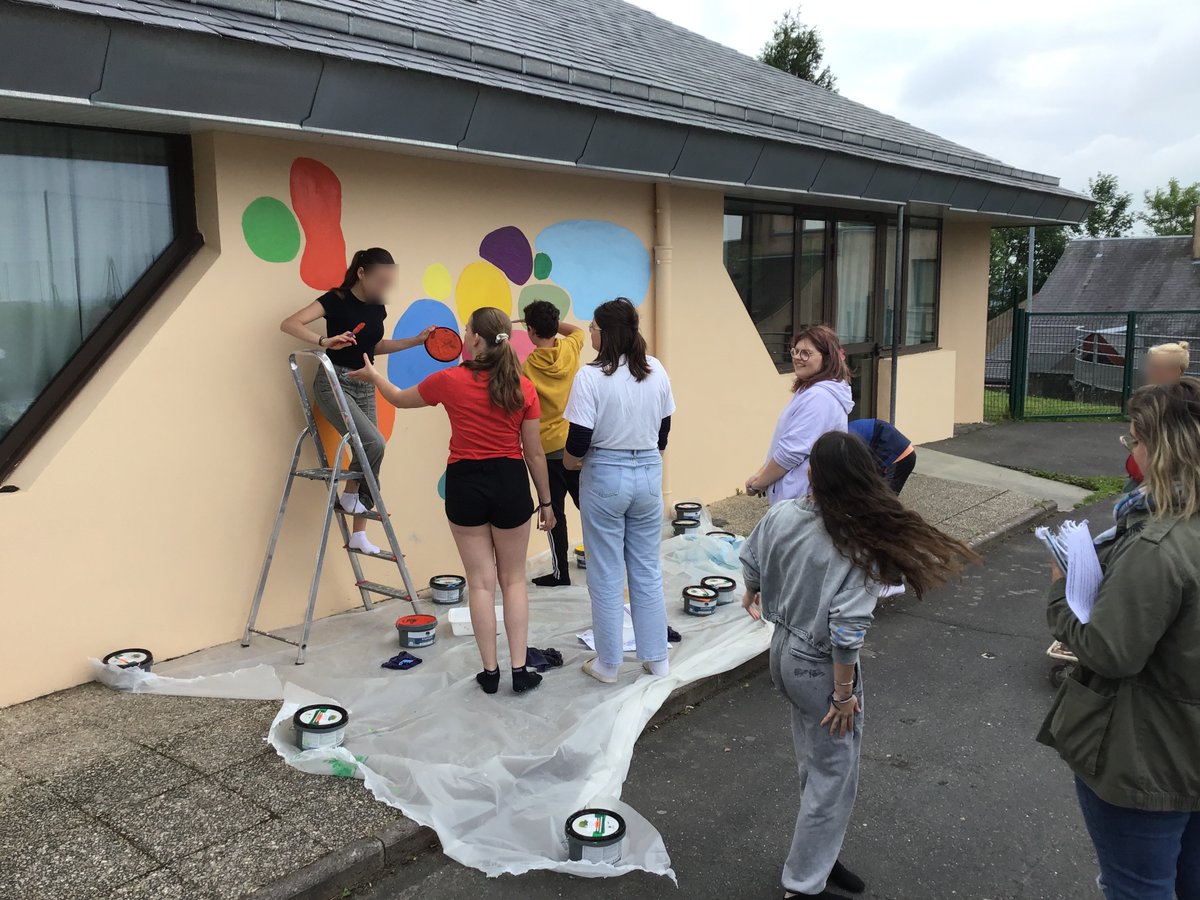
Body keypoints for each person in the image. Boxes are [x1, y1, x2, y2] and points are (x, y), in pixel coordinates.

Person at [741, 431, 978, 900]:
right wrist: (844, 695)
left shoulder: (784, 515)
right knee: (833, 776)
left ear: (812, 475)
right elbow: (846, 630)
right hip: (821, 668)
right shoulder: (855, 542)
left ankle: (820, 858)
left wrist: (753, 589)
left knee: (816, 763)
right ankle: (803, 886)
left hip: (782, 656)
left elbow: (751, 560)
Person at [1037, 378, 1200, 900]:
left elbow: (1112, 651)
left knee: (1138, 886)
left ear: (1163, 446)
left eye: (1133, 440)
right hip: (1187, 742)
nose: (1131, 453)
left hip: (1146, 751)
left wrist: (1063, 595)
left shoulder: (1160, 543)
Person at [349, 307, 555, 696]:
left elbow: (399, 398)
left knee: (479, 583)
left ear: (476, 339)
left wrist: (374, 374)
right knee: (513, 581)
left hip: (465, 485)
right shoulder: (522, 387)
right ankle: (520, 669)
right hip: (509, 482)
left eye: (465, 331)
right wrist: (546, 503)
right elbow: (535, 453)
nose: (463, 336)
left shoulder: (448, 379)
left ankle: (490, 672)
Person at [280, 248, 433, 554]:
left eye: (389, 281)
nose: (384, 287)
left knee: (367, 450)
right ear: (361, 273)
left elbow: (375, 345)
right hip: (333, 382)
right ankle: (354, 498)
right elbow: (290, 324)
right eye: (380, 280)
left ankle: (358, 534)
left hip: (364, 382)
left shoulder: (378, 308)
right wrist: (325, 341)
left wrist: (416, 341)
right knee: (375, 444)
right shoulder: (335, 300)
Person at [564, 298, 675, 683]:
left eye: (593, 326)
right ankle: (657, 659)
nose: (589, 331)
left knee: (607, 571)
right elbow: (663, 432)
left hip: (606, 474)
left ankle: (608, 663)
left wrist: (568, 463)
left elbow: (578, 440)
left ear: (606, 332)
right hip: (648, 473)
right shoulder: (656, 369)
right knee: (646, 568)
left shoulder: (590, 377)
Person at [518, 300, 585, 587]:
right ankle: (609, 561)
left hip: (547, 450)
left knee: (554, 512)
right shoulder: (571, 347)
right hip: (577, 444)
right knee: (590, 507)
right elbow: (577, 330)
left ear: (531, 331)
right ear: (554, 325)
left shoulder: (526, 369)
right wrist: (549, 322)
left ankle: (561, 573)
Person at [746, 325, 853, 503]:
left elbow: (790, 452)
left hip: (799, 500)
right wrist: (760, 474)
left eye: (806, 353)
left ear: (827, 358)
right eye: (795, 351)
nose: (797, 357)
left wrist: (759, 483)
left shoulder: (819, 398)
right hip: (796, 498)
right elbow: (784, 444)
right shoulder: (811, 390)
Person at [1125, 341, 1191, 489]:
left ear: (1177, 371)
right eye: (1150, 366)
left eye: (1157, 368)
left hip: (1159, 478)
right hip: (1138, 474)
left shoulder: (1182, 403)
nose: (1150, 371)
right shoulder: (1147, 396)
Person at [847, 419, 916, 494]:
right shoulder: (845, 432)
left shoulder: (846, 440)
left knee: (881, 499)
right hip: (891, 448)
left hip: (899, 457)